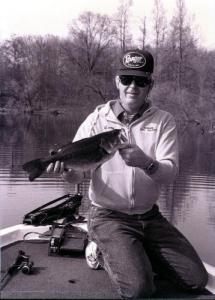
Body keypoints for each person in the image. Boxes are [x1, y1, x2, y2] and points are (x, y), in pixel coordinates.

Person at [47, 49, 208, 298]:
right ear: (117, 81)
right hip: (108, 216)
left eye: (141, 81)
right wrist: (66, 174)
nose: (133, 87)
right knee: (139, 290)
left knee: (195, 280)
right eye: (127, 79)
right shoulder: (95, 121)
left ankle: (136, 253)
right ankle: (102, 248)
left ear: (150, 85)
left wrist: (146, 163)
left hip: (150, 217)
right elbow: (78, 176)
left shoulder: (164, 121)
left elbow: (170, 175)